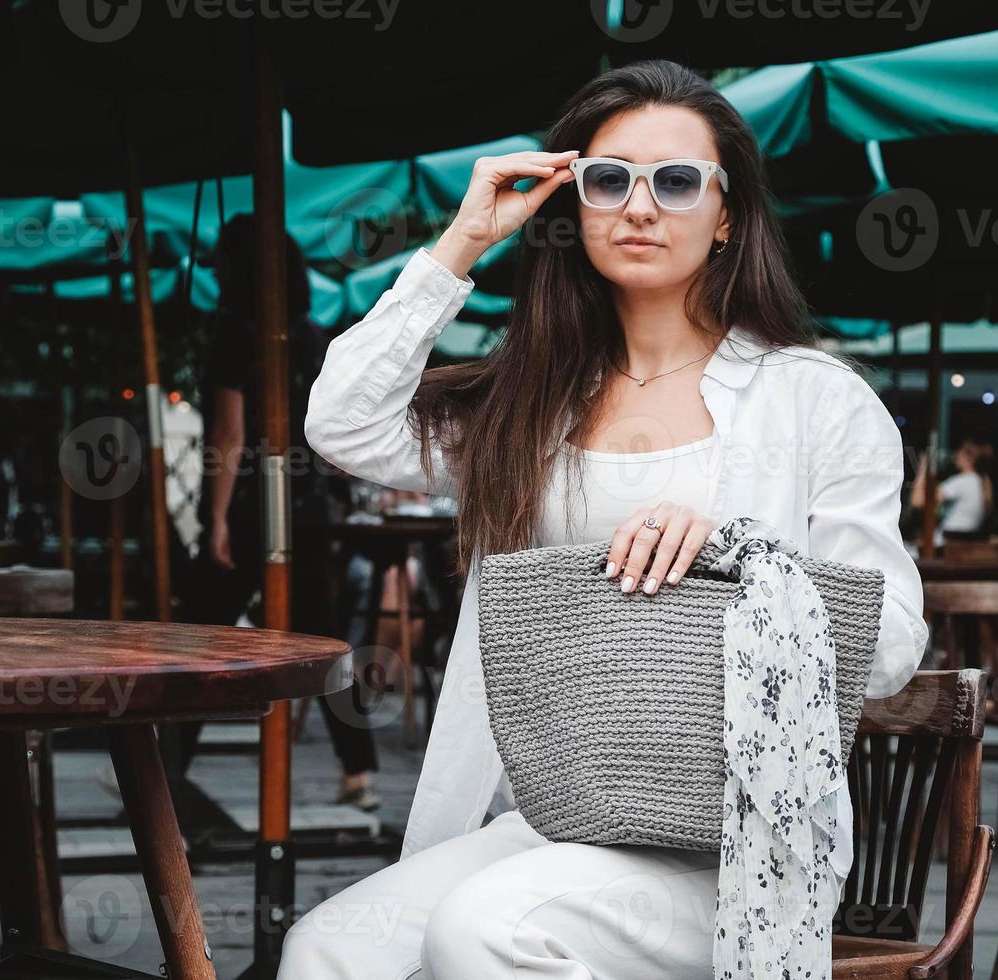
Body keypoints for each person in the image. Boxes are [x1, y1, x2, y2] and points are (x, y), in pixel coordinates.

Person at [283, 60, 928, 978]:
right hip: (547, 819)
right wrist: (462, 241)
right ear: (573, 201)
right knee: (328, 950)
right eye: (607, 178)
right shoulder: (530, 405)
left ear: (729, 213)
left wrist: (735, 552)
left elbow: (892, 647)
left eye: (675, 181)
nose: (639, 206)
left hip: (736, 843)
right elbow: (342, 421)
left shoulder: (818, 403)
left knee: (486, 931)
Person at [174, 214, 381, 811]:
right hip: (308, 506)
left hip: (253, 507)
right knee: (324, 643)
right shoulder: (312, 335)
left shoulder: (236, 333)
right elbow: (335, 437)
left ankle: (162, 767)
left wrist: (212, 518)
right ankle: (360, 770)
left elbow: (229, 434)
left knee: (200, 643)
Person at [911, 437, 994, 545]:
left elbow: (917, 501)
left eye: (960, 451)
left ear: (970, 458)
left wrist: (923, 467)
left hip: (942, 547)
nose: (956, 454)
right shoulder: (980, 483)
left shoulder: (963, 481)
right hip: (956, 546)